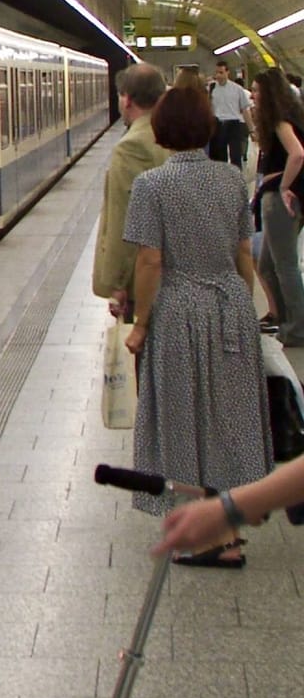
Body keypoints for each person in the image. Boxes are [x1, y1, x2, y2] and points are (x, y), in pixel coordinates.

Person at [122, 79, 270, 565]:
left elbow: (150, 261)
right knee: (231, 420)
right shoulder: (231, 179)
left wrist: (141, 323)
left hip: (179, 310)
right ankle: (228, 529)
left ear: (162, 130)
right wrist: (243, 311)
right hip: (229, 303)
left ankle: (200, 534)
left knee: (183, 421)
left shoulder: (152, 185)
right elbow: (243, 252)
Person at [91, 63, 170, 319]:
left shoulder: (132, 146)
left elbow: (124, 219)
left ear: (127, 99)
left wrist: (118, 282)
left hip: (142, 277)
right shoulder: (169, 134)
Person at [251, 66, 304, 345]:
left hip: (282, 200)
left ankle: (297, 328)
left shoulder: (280, 122)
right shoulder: (293, 116)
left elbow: (297, 154)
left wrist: (283, 184)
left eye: (257, 90)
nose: (253, 95)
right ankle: (285, 319)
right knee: (267, 266)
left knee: (284, 266)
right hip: (282, 197)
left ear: (269, 94)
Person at [208, 59, 251, 169]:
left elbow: (245, 109)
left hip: (233, 124)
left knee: (235, 155)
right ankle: (222, 177)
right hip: (217, 124)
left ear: (228, 72)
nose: (218, 75)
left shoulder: (237, 89)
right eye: (216, 72)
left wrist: (251, 128)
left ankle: (237, 177)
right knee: (219, 154)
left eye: (221, 72)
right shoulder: (212, 88)